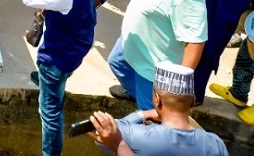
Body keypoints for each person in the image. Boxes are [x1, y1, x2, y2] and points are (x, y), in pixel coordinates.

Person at [18, 0, 112, 156]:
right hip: (77, 45)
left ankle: (51, 153)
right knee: (57, 80)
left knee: (50, 112)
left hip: (56, 59)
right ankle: (50, 83)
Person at [108, 0, 207, 109]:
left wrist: (177, 86)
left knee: (150, 124)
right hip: (130, 46)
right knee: (116, 64)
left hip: (152, 69)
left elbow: (195, 41)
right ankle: (137, 94)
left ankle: (150, 106)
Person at [89, 61, 230, 156]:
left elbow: (101, 133)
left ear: (157, 99)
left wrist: (142, 114)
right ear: (192, 101)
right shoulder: (215, 144)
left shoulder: (134, 135)